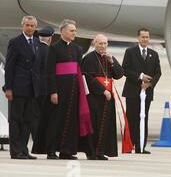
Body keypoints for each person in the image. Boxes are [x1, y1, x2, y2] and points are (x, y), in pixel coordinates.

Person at [46, 19, 93, 160]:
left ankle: (66, 151)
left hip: (73, 91)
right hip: (59, 91)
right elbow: (50, 72)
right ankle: (51, 151)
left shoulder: (78, 49)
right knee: (56, 121)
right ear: (63, 31)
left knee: (71, 122)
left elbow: (79, 71)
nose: (74, 33)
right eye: (72, 30)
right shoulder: (54, 48)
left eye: (75, 30)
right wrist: (53, 91)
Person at [2, 16, 40, 159]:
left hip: (32, 88)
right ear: (22, 26)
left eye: (32, 26)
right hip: (18, 87)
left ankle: (24, 150)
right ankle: (16, 151)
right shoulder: (15, 42)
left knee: (27, 121)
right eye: (27, 25)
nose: (30, 28)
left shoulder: (36, 43)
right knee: (16, 120)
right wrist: (9, 88)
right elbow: (9, 66)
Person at [82, 34, 124, 160]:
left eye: (105, 43)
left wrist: (112, 63)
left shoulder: (109, 58)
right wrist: (103, 91)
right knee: (94, 124)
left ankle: (101, 151)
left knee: (106, 125)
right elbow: (88, 77)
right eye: (100, 43)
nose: (103, 46)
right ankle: (91, 152)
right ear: (95, 44)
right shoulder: (89, 58)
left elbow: (119, 74)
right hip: (94, 97)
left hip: (107, 98)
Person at [122, 28, 161, 154]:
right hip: (132, 91)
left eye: (147, 37)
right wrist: (140, 77)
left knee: (143, 118)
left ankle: (141, 147)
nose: (145, 39)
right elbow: (125, 70)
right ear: (138, 38)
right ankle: (129, 145)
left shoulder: (154, 54)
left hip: (147, 92)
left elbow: (158, 73)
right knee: (131, 118)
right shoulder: (130, 52)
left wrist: (149, 84)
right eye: (143, 37)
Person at [31, 26, 58, 159]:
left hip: (34, 88)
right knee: (45, 119)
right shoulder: (49, 51)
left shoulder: (35, 49)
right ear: (50, 38)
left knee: (34, 116)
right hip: (46, 90)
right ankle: (43, 144)